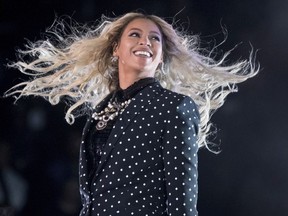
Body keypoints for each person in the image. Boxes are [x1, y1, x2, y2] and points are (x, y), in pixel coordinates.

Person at [4, 12, 259, 216]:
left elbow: (183, 199)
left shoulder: (174, 106)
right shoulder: (101, 111)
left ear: (161, 58)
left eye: (154, 38)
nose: (145, 41)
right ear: (116, 49)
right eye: (135, 34)